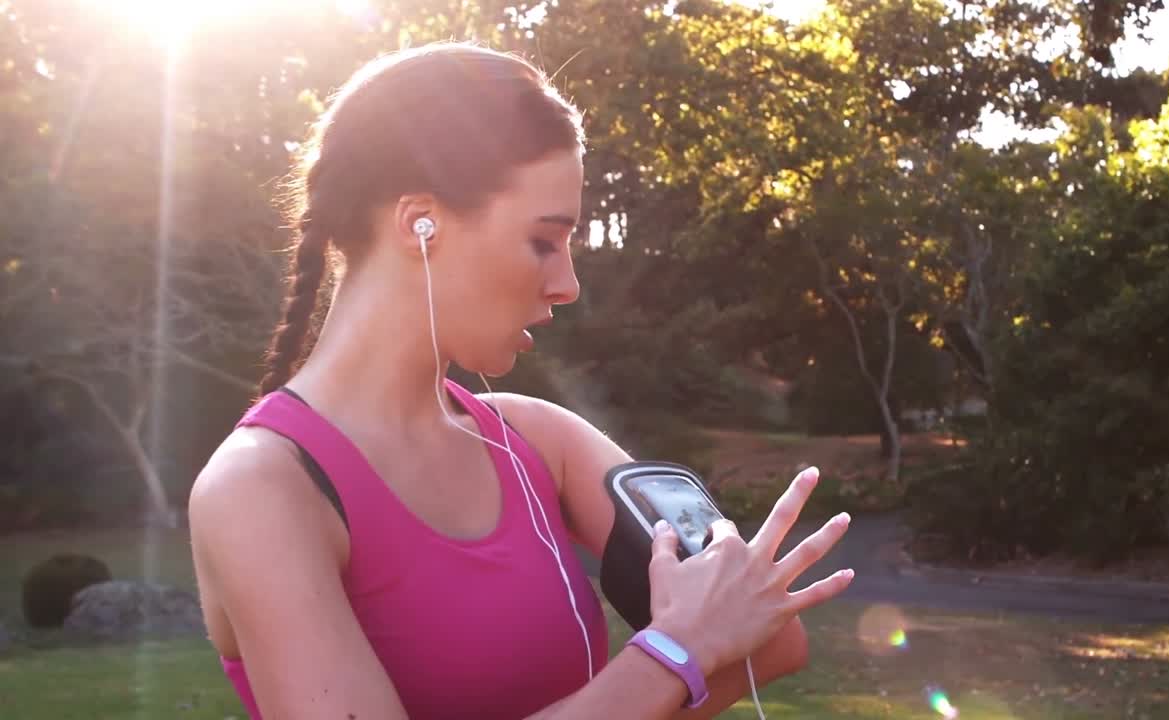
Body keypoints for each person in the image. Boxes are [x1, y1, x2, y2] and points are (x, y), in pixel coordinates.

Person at [187, 41, 855, 720]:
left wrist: (677, 661)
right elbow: (702, 644)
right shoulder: (262, 489)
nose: (567, 286)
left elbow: (765, 639)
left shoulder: (538, 439)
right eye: (543, 241)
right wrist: (673, 656)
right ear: (420, 223)